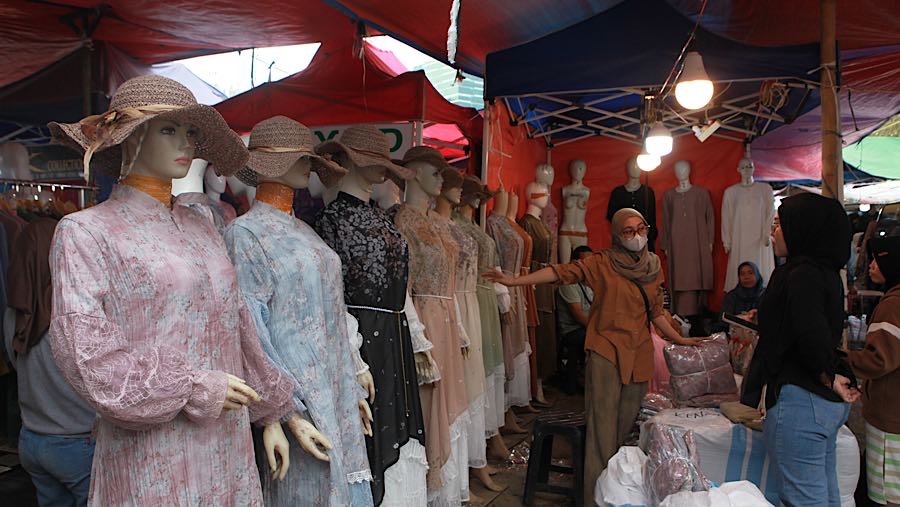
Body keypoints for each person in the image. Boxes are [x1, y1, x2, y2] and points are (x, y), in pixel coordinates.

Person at [484, 208, 701, 504]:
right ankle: (594, 498)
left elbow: (656, 313)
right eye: (628, 230)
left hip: (638, 357)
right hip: (606, 352)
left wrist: (680, 339)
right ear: (616, 234)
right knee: (601, 432)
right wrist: (513, 281)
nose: (636, 236)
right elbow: (559, 272)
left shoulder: (653, 265)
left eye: (641, 229)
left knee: (623, 430)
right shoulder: (602, 263)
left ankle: (615, 489)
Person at [741, 192, 858, 507]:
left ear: (801, 229)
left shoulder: (798, 274)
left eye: (779, 224)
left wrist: (827, 371)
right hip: (821, 402)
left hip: (803, 399)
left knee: (806, 499)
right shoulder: (826, 274)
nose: (773, 232)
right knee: (825, 494)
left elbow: (810, 331)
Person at [848, 236, 900, 506]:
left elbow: (879, 360)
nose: (871, 266)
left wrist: (846, 359)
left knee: (886, 493)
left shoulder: (893, 305)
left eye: (879, 260)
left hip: (890, 418)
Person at [556, 245, 594, 393]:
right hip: (573, 330)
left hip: (587, 326)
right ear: (575, 262)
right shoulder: (568, 282)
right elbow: (578, 315)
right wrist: (598, 329)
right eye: (587, 261)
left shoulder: (588, 281)